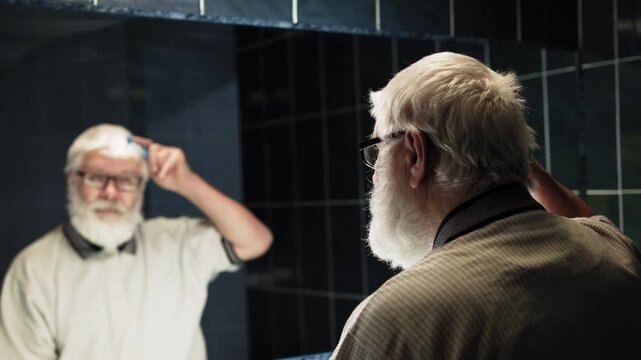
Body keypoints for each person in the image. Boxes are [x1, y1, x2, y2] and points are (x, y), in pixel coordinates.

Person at [332, 52, 641, 359]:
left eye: (378, 149)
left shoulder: (389, 322)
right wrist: (506, 157)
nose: (375, 174)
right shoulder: (616, 253)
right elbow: (583, 224)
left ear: (414, 154)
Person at [0, 123, 273, 359]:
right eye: (96, 177)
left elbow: (255, 241)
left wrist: (186, 181)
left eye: (126, 180)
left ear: (142, 186)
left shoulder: (177, 242)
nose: (111, 192)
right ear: (71, 179)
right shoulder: (32, 270)